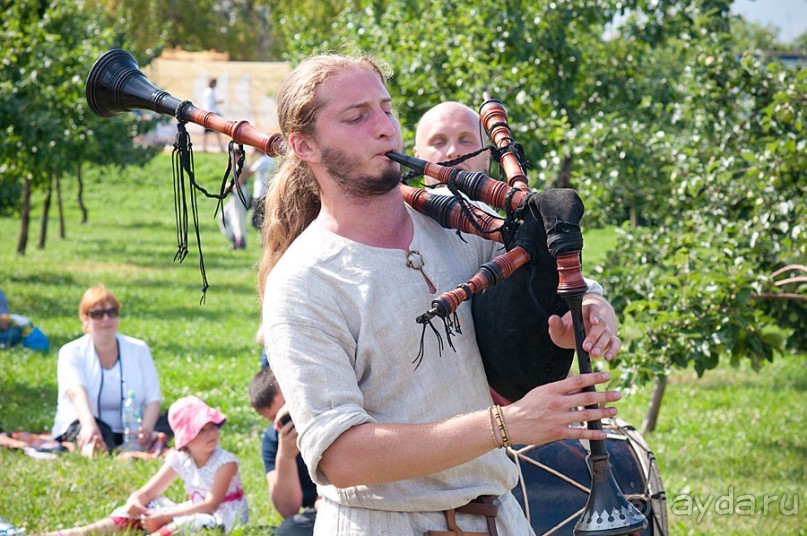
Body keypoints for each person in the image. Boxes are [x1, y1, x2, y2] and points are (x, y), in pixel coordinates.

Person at [258, 53, 622, 535]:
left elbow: (542, 280)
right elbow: (342, 456)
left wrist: (589, 307)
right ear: (304, 145)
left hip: (501, 517)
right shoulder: (304, 282)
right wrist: (506, 425)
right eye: (356, 116)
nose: (384, 127)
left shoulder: (462, 225)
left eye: (386, 108)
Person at [41, 396, 248, 536]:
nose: (211, 434)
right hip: (193, 510)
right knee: (149, 506)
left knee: (185, 523)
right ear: (186, 438)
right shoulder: (179, 458)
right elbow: (148, 492)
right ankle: (81, 532)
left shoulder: (225, 462)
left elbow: (210, 506)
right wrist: (136, 502)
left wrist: (166, 516)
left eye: (213, 427)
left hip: (221, 519)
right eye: (201, 430)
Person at [52, 284, 165, 458]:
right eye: (97, 314)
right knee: (94, 440)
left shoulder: (138, 349)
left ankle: (130, 448)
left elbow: (153, 399)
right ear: (85, 319)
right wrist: (89, 425)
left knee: (178, 416)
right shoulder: (71, 352)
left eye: (112, 313)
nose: (106, 319)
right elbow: (77, 394)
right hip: (87, 422)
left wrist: (147, 430)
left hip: (131, 429)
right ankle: (101, 449)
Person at [249, 368, 317, 536]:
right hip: (318, 513)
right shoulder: (273, 439)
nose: (287, 421)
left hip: (352, 500)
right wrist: (286, 456)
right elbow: (288, 509)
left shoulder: (323, 417)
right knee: (289, 530)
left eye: (286, 410)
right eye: (277, 419)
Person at [238, 149, 278, 230]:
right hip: (268, 192)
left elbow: (247, 174)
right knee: (263, 219)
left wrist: (250, 158)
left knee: (255, 221)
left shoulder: (260, 162)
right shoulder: (270, 159)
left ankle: (264, 236)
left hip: (260, 193)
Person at [202, 78, 226, 153]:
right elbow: (211, 102)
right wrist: (220, 102)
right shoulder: (210, 91)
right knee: (217, 131)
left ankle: (204, 147)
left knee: (206, 132)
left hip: (207, 112)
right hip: (212, 113)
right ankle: (221, 148)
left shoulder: (206, 91)